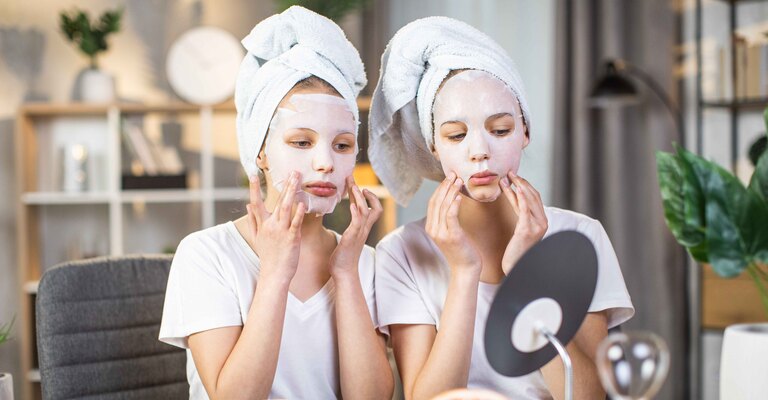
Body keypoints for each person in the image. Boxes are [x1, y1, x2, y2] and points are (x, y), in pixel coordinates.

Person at [368, 16, 634, 400]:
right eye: (456, 135)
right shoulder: (401, 253)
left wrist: (527, 276)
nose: (480, 152)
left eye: (500, 130)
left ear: (525, 131)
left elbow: (586, 395)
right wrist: (464, 272)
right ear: (433, 146)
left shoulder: (580, 237)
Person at [159, 7, 393, 399]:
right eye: (301, 142)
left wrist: (347, 274)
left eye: (342, 145)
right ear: (260, 152)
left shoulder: (364, 263)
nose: (325, 162)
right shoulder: (205, 255)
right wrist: (274, 273)